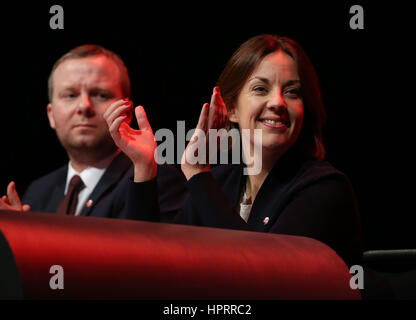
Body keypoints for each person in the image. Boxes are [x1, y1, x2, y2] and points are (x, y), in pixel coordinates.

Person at [104, 35, 363, 266]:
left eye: (292, 92)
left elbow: (260, 274)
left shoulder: (325, 188)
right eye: (261, 89)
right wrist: (145, 167)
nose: (278, 102)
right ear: (233, 109)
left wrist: (197, 173)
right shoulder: (220, 180)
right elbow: (153, 260)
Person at [0, 44, 187, 220]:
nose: (84, 106)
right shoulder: (38, 191)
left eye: (100, 94)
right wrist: (19, 238)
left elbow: (148, 250)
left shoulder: (153, 178)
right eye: (71, 95)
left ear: (127, 112)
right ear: (51, 115)